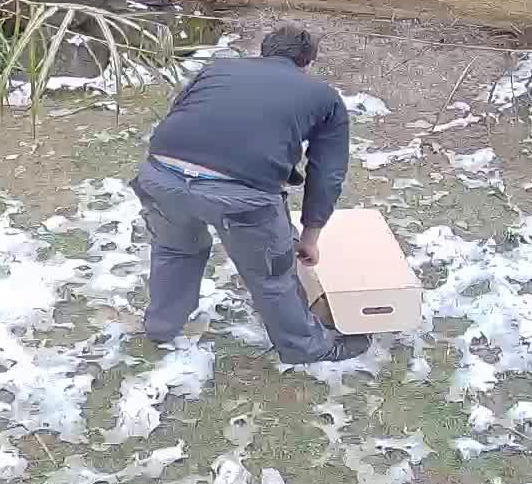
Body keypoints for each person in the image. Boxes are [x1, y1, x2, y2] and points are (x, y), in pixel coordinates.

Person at [131, 23, 363, 364]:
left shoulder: (216, 69)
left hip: (159, 175)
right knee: (272, 275)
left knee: (174, 250)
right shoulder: (324, 96)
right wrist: (310, 235)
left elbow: (183, 113)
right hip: (240, 197)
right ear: (307, 61)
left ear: (264, 51)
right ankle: (306, 349)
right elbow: (327, 173)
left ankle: (162, 326)